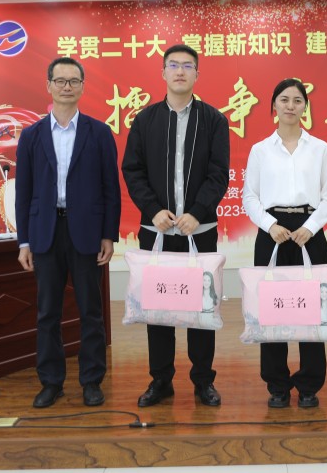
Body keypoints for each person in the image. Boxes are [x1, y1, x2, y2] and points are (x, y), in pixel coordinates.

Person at [122, 44, 229, 407]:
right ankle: (160, 380)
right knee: (158, 312)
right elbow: (132, 170)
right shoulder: (145, 120)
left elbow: (218, 174)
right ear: (163, 73)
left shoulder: (213, 120)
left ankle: (203, 381)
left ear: (197, 74)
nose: (180, 71)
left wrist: (197, 212)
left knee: (201, 309)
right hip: (158, 233)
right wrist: (152, 210)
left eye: (187, 66)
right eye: (173, 65)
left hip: (199, 231)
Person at [15, 56, 120, 409]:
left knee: (91, 311)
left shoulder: (99, 133)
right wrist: (24, 241)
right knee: (48, 313)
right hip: (45, 233)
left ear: (82, 87)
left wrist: (108, 235)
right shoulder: (31, 135)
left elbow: (110, 189)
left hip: (86, 233)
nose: (66, 87)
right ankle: (51, 382)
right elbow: (24, 192)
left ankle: (91, 381)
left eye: (73, 81)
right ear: (48, 85)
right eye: (60, 81)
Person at [243, 78, 327, 409]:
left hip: (310, 233)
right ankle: (277, 385)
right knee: (272, 311)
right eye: (284, 100)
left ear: (305, 107)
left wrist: (310, 228)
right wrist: (270, 226)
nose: (290, 106)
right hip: (273, 233)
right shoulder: (260, 150)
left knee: (312, 311)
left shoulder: (320, 148)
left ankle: (310, 384)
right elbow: (250, 197)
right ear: (274, 106)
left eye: (297, 100)